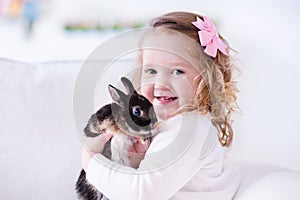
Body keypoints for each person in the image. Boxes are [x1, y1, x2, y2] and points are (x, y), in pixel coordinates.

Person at [81, 11, 240, 199]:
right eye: (151, 70)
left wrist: (91, 162)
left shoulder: (189, 127)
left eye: (177, 71)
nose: (160, 83)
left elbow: (141, 194)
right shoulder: (168, 124)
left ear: (205, 78)